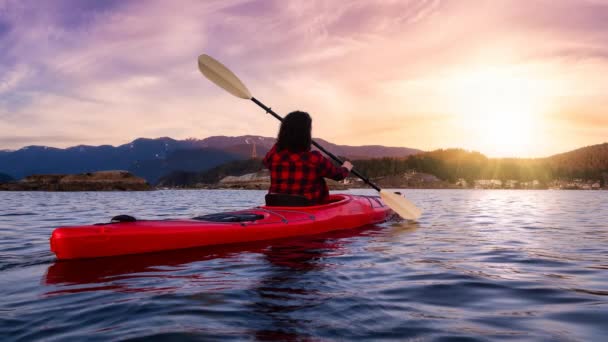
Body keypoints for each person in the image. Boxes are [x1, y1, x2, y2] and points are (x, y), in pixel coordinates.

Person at [263, 111, 353, 204]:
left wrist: (284, 138)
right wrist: (346, 167)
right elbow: (337, 175)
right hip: (309, 209)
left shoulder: (273, 157)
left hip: (277, 207)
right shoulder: (314, 159)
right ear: (306, 134)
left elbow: (267, 159)